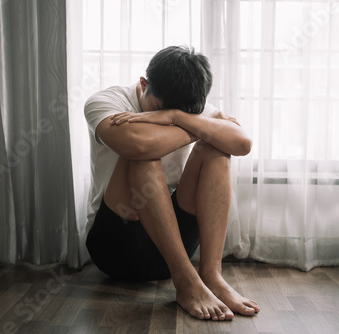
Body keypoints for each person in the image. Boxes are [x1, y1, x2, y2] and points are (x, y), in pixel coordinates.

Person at [84, 46, 260, 321]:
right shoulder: (106, 101)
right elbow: (138, 145)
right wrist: (197, 128)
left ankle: (211, 276)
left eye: (184, 113)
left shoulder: (188, 106)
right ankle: (187, 282)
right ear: (144, 85)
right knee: (142, 157)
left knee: (216, 150)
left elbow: (242, 143)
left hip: (172, 246)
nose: (166, 118)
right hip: (117, 244)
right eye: (160, 109)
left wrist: (176, 117)